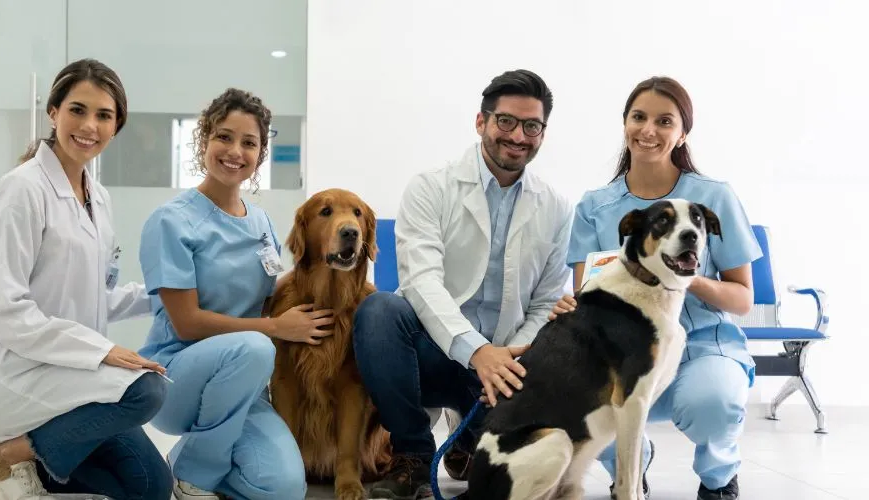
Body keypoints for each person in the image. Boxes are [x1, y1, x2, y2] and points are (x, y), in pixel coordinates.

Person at [0, 58, 174, 500]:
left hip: (67, 374)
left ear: (116, 126)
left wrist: (167, 296)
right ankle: (5, 454)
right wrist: (104, 351)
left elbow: (98, 298)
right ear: (53, 112)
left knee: (151, 486)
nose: (89, 125)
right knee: (147, 391)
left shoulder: (99, 196)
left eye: (104, 116)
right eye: (78, 110)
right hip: (8, 368)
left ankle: (39, 458)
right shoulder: (21, 191)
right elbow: (4, 309)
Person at [352, 69, 574, 499]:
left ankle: (472, 440)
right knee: (379, 311)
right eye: (506, 121)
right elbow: (420, 282)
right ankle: (414, 458)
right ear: (481, 122)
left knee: (504, 468)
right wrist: (478, 352)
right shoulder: (431, 187)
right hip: (435, 353)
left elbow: (547, 300)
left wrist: (510, 357)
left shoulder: (557, 207)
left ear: (543, 133)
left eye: (532, 126)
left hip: (510, 361)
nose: (518, 135)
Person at [554, 76, 760, 500]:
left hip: (703, 346)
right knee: (591, 404)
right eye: (639, 117)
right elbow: (588, 296)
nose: (648, 130)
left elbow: (742, 299)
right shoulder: (596, 207)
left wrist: (685, 278)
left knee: (713, 403)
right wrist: (568, 307)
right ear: (625, 123)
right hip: (623, 354)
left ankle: (719, 478)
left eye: (664, 121)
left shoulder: (714, 198)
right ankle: (631, 466)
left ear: (682, 133)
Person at [138, 88, 324, 500]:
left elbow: (266, 290)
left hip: (244, 383)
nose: (235, 151)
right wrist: (277, 327)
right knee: (256, 348)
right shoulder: (172, 222)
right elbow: (186, 324)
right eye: (224, 137)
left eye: (249, 142)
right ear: (204, 139)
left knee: (285, 488)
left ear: (261, 153)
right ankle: (193, 474)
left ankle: (204, 452)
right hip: (174, 377)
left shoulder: (261, 223)